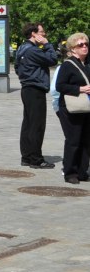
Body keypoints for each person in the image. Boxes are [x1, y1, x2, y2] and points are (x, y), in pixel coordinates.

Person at [17, 22, 58, 169]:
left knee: (28, 124)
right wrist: (47, 44)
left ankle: (26, 157)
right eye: (42, 32)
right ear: (33, 34)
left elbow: (17, 68)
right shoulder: (33, 50)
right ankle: (36, 159)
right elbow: (53, 59)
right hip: (35, 89)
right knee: (37, 125)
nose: (44, 34)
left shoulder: (22, 48)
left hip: (27, 88)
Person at [54, 33, 90, 184]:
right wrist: (80, 89)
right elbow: (60, 86)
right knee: (73, 140)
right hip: (71, 107)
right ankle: (70, 172)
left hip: (86, 107)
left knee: (86, 140)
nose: (84, 47)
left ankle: (83, 171)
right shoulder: (68, 65)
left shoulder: (87, 64)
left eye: (86, 44)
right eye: (80, 45)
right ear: (72, 49)